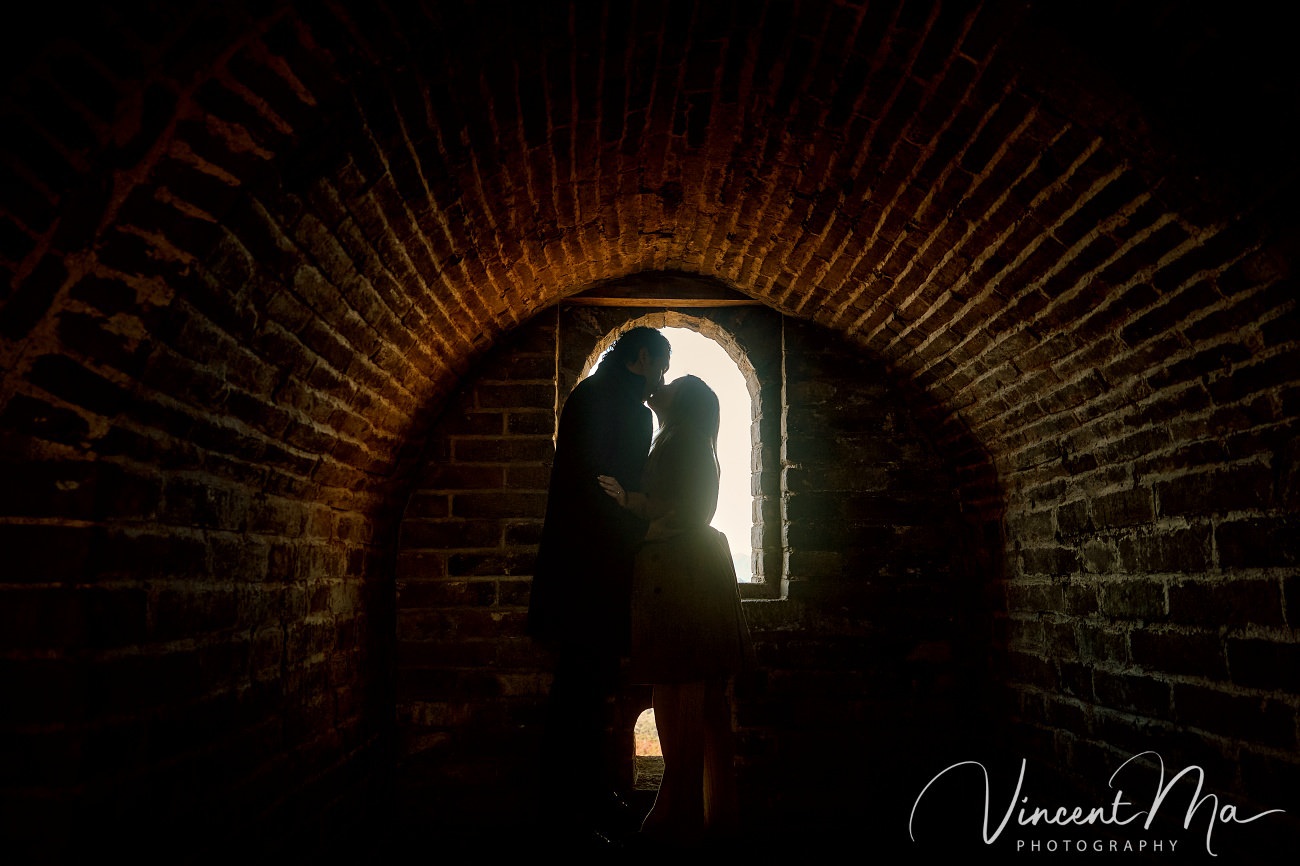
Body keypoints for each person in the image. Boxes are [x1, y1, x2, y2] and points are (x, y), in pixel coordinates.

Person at [527, 325, 672, 846]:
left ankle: (573, 806)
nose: (662, 377)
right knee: (582, 697)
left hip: (575, 574)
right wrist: (646, 523)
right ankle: (579, 811)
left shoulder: (589, 395)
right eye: (661, 365)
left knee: (578, 695)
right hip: (595, 576)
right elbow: (608, 495)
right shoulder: (627, 410)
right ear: (640, 357)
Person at [598, 374, 755, 848]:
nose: (658, 387)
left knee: (679, 692)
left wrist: (630, 512)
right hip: (686, 573)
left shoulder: (683, 441)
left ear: (682, 401)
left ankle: (676, 816)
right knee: (691, 697)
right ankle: (698, 815)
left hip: (682, 577)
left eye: (669, 384)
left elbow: (682, 509)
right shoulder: (688, 439)